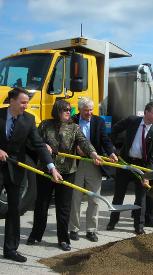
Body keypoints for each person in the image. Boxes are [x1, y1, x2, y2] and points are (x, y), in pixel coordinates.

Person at [0, 87, 61, 264]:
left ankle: (11, 249)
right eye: (23, 102)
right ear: (12, 101)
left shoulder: (28, 120)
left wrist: (51, 167)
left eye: (27, 102)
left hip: (16, 172)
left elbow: (38, 144)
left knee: (14, 212)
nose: (26, 106)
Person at [26, 100, 104, 251]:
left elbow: (84, 142)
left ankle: (63, 239)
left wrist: (94, 154)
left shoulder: (74, 127)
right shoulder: (45, 124)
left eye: (70, 109)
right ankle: (35, 235)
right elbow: (30, 141)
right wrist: (43, 145)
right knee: (42, 204)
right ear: (57, 110)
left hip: (67, 172)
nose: (69, 112)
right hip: (46, 171)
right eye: (65, 110)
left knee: (64, 207)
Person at [106, 102, 153, 235]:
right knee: (118, 195)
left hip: (141, 167)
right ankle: (112, 221)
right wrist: (111, 145)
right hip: (126, 163)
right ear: (146, 112)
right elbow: (115, 128)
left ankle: (139, 226)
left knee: (141, 197)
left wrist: (147, 175)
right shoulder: (133, 121)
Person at [69, 98, 117, 243]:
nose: (89, 113)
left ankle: (91, 230)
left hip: (94, 162)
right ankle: (73, 229)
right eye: (86, 110)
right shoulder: (71, 120)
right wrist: (75, 148)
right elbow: (65, 140)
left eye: (91, 110)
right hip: (75, 163)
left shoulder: (99, 121)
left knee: (94, 198)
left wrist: (110, 152)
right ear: (79, 110)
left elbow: (105, 139)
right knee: (75, 198)